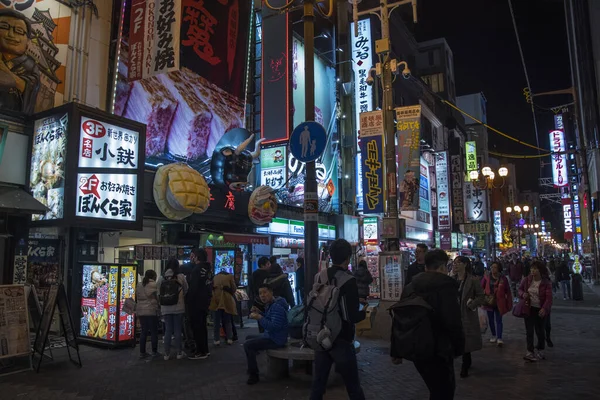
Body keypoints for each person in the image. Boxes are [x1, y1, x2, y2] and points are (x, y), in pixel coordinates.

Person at [400, 249, 464, 399]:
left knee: (436, 389)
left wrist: (397, 350)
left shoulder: (411, 285)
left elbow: (401, 316)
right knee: (444, 391)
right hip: (439, 349)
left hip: (416, 348)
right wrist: (459, 347)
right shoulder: (446, 286)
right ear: (442, 266)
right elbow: (453, 322)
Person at [310, 239, 366, 400]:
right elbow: (351, 316)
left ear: (331, 256)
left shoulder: (319, 277)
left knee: (318, 384)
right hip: (341, 338)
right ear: (348, 258)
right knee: (353, 386)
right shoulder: (349, 281)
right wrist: (364, 312)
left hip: (321, 335)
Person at [244, 284, 289, 385]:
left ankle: (254, 375)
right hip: (270, 335)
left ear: (271, 292)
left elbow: (274, 326)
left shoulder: (277, 306)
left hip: (276, 339)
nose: (262, 296)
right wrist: (261, 313)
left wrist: (259, 317)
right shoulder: (271, 304)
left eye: (265, 292)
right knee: (248, 339)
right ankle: (252, 366)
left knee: (248, 345)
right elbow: (270, 319)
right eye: (260, 293)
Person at [0, 9, 40, 114]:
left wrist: (5, 71)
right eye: (4, 27)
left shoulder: (30, 66)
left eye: (19, 31)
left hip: (13, 119)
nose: (11, 35)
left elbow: (30, 90)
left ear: (27, 42)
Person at [452, 256, 485, 378]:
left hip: (467, 313)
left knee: (466, 339)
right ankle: (466, 358)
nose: (455, 265)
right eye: (454, 263)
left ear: (465, 265)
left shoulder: (473, 280)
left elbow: (481, 296)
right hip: (454, 314)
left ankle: (465, 365)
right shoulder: (452, 279)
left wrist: (472, 304)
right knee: (459, 338)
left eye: (458, 263)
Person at [519, 261, 553, 362]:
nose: (532, 271)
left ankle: (540, 349)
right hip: (528, 308)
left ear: (540, 270)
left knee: (540, 331)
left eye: (535, 269)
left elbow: (549, 298)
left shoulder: (545, 282)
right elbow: (520, 289)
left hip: (540, 309)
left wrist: (544, 308)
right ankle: (530, 351)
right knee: (529, 331)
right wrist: (523, 294)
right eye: (531, 269)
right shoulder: (527, 280)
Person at [157, 258, 189, 361]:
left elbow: (158, 292)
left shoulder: (162, 277)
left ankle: (166, 354)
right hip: (178, 307)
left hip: (165, 307)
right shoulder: (180, 277)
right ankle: (179, 353)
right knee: (177, 330)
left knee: (168, 330)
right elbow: (186, 289)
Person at [186, 248, 213, 360]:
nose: (192, 258)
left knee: (197, 328)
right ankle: (205, 350)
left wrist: (188, 300)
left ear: (197, 257)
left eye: (193, 256)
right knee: (202, 327)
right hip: (205, 302)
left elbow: (193, 288)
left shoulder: (196, 270)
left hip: (196, 303)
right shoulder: (208, 270)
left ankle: (200, 351)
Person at [481, 262, 512, 347]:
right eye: (492, 267)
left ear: (499, 269)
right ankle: (493, 335)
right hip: (488, 301)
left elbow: (507, 290)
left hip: (499, 302)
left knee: (499, 320)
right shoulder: (487, 277)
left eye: (495, 267)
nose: (493, 269)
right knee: (491, 320)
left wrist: (508, 301)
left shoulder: (503, 278)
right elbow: (481, 286)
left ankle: (499, 337)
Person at [209, 268, 237, 346]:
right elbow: (234, 289)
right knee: (227, 321)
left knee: (216, 322)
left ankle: (216, 339)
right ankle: (229, 338)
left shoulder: (215, 277)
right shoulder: (230, 276)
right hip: (226, 300)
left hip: (216, 301)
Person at [136, 269, 160, 358]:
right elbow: (157, 298)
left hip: (141, 311)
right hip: (151, 311)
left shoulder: (139, 285)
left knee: (144, 331)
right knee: (154, 332)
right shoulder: (153, 285)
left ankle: (142, 352)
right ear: (153, 276)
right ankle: (154, 351)